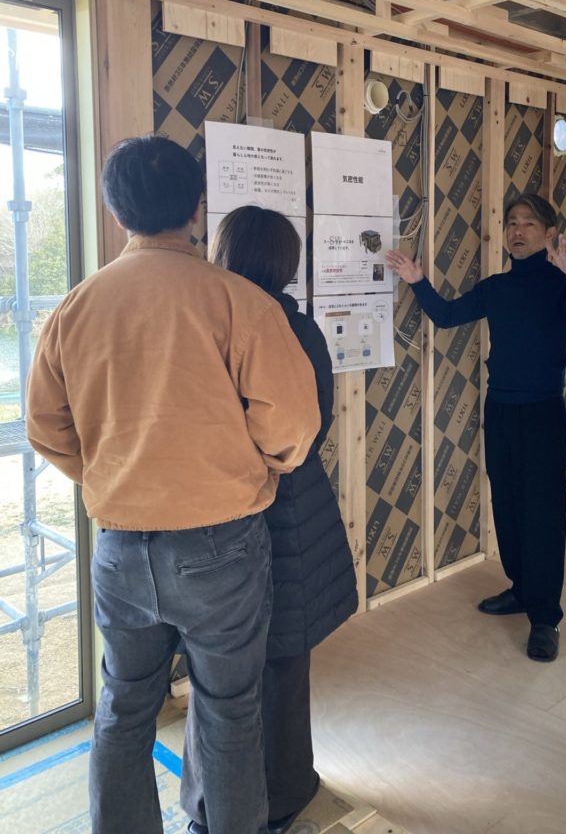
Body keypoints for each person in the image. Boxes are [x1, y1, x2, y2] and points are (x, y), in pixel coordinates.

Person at [26, 136, 320, 834]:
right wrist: (258, 467)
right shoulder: (239, 303)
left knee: (123, 709)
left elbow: (46, 429)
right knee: (229, 709)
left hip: (119, 543)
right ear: (196, 210)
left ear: (116, 212)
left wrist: (110, 476)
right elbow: (293, 426)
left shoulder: (74, 308)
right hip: (223, 544)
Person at [180, 204, 357, 834]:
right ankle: (283, 795)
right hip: (293, 506)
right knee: (282, 660)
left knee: (216, 665)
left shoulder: (200, 322)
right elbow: (316, 423)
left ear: (225, 251)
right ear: (285, 262)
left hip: (217, 509)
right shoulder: (297, 327)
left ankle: (208, 804)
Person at [386, 193, 566, 663]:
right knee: (506, 505)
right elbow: (448, 316)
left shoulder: (562, 284)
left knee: (542, 514)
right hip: (501, 411)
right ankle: (521, 589)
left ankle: (544, 617)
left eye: (529, 223)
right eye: (511, 223)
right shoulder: (497, 287)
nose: (517, 231)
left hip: (543, 413)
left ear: (550, 234)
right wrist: (417, 281)